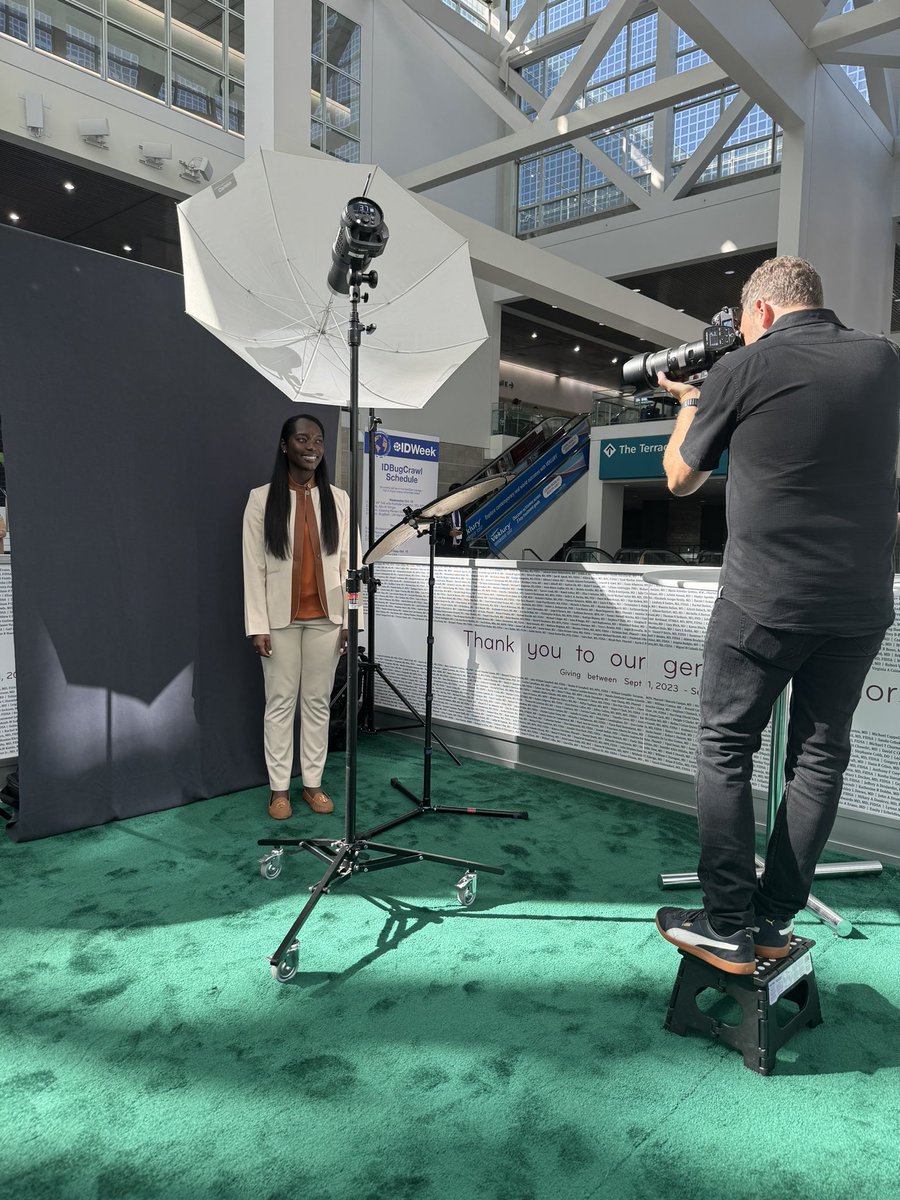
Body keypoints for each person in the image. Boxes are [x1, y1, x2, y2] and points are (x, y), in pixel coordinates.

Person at [653, 256, 900, 975]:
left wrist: (691, 402)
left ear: (760, 310)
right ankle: (772, 921)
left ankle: (726, 923)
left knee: (725, 745)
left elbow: (680, 477)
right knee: (821, 756)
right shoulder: (884, 359)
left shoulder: (746, 365)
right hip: (860, 601)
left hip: (764, 599)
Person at [242, 413, 354, 820]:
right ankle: (278, 790)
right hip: (278, 622)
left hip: (328, 619)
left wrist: (352, 620)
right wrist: (257, 625)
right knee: (279, 703)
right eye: (303, 439)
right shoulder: (261, 499)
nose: (312, 447)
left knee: (317, 704)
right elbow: (253, 566)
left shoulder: (339, 499)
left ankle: (312, 784)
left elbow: (351, 563)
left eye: (318, 440)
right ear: (285, 446)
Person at [434, 481, 468, 557]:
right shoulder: (441, 509)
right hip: (443, 550)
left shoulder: (461, 509)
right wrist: (449, 532)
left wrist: (464, 549)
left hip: (458, 550)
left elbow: (463, 528)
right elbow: (434, 528)